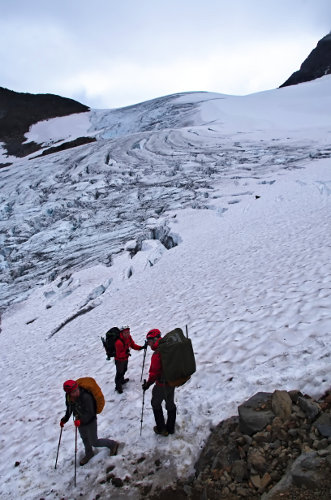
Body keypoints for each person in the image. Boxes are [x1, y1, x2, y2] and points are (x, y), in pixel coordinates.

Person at [60, 380, 119, 466]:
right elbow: (69, 408)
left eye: (76, 390)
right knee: (84, 438)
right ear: (68, 393)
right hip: (79, 421)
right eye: (73, 392)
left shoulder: (86, 397)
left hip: (90, 421)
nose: (76, 392)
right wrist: (65, 419)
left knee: (94, 442)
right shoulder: (68, 397)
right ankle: (89, 453)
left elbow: (91, 413)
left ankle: (113, 444)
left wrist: (80, 420)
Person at [142, 329, 176, 436]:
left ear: (155, 339)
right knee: (170, 404)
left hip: (161, 385)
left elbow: (154, 373)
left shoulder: (157, 354)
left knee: (155, 403)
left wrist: (147, 384)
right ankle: (170, 428)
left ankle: (161, 429)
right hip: (172, 381)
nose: (148, 343)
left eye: (149, 340)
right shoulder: (168, 346)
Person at [114, 325, 144, 394]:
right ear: (122, 333)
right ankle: (118, 386)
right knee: (119, 373)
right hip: (119, 360)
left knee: (124, 370)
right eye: (125, 333)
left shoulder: (129, 338)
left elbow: (133, 345)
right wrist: (126, 353)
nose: (127, 334)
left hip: (125, 358)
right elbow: (118, 355)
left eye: (128, 332)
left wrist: (141, 347)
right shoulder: (118, 342)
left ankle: (122, 381)